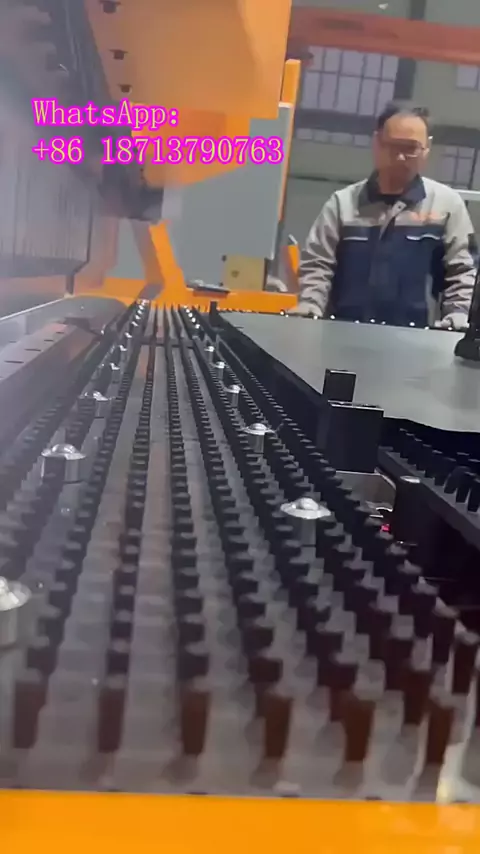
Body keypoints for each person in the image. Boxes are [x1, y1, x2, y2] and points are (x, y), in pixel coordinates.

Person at [291, 103, 478, 328]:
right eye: (393, 146)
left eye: (410, 148)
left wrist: (458, 313)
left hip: (418, 339)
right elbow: (318, 264)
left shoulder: (446, 206)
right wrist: (311, 304)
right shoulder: (343, 204)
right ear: (377, 143)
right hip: (341, 334)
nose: (400, 157)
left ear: (426, 148)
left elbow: (462, 270)